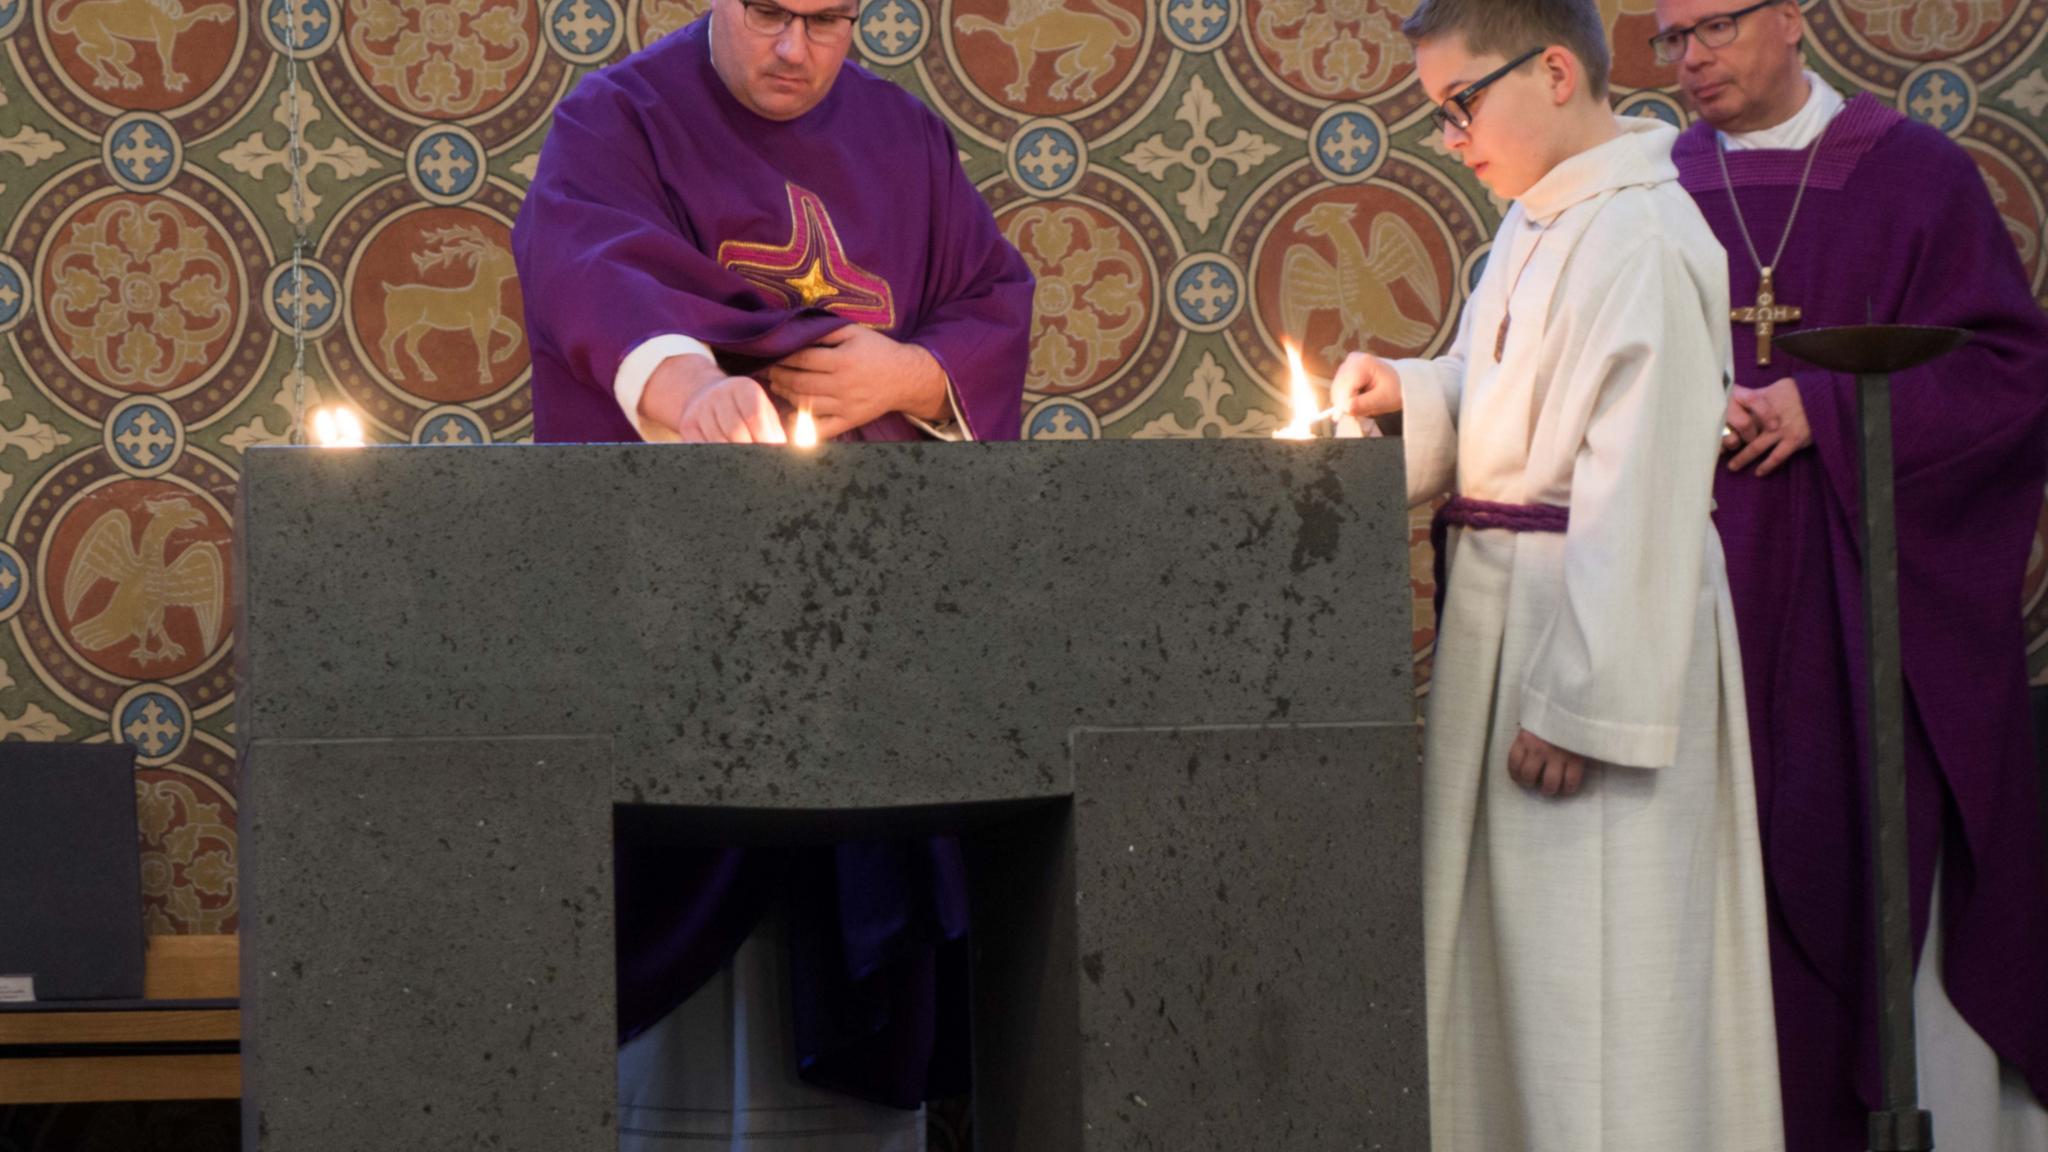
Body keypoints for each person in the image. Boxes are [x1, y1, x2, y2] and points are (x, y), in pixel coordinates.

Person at [511, 1, 1033, 1146]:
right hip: (679, 626)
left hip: (868, 632)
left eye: (830, 18)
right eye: (769, 13)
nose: (795, 48)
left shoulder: (901, 136)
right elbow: (586, 268)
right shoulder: (621, 119)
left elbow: (991, 295)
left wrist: (912, 374)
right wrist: (686, 389)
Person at [1333, 1, 1784, 1147]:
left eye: (1457, 106)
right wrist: (1420, 395)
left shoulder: (1639, 231)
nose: (1448, 138)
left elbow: (1640, 486)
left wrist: (1585, 701)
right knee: (1516, 984)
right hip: (1507, 619)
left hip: (1578, 652)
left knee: (1595, 984)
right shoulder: (1538, 224)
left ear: (1549, 70)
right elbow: (1516, 409)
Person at [1651, 1, 2048, 1147]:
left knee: (1863, 877)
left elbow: (2008, 378)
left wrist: (1824, 407)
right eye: (1668, 38)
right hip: (1693, 607)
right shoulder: (1650, 186)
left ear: (1784, 17)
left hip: (1859, 612)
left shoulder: (1913, 174)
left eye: (1712, 27)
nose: (1690, 59)